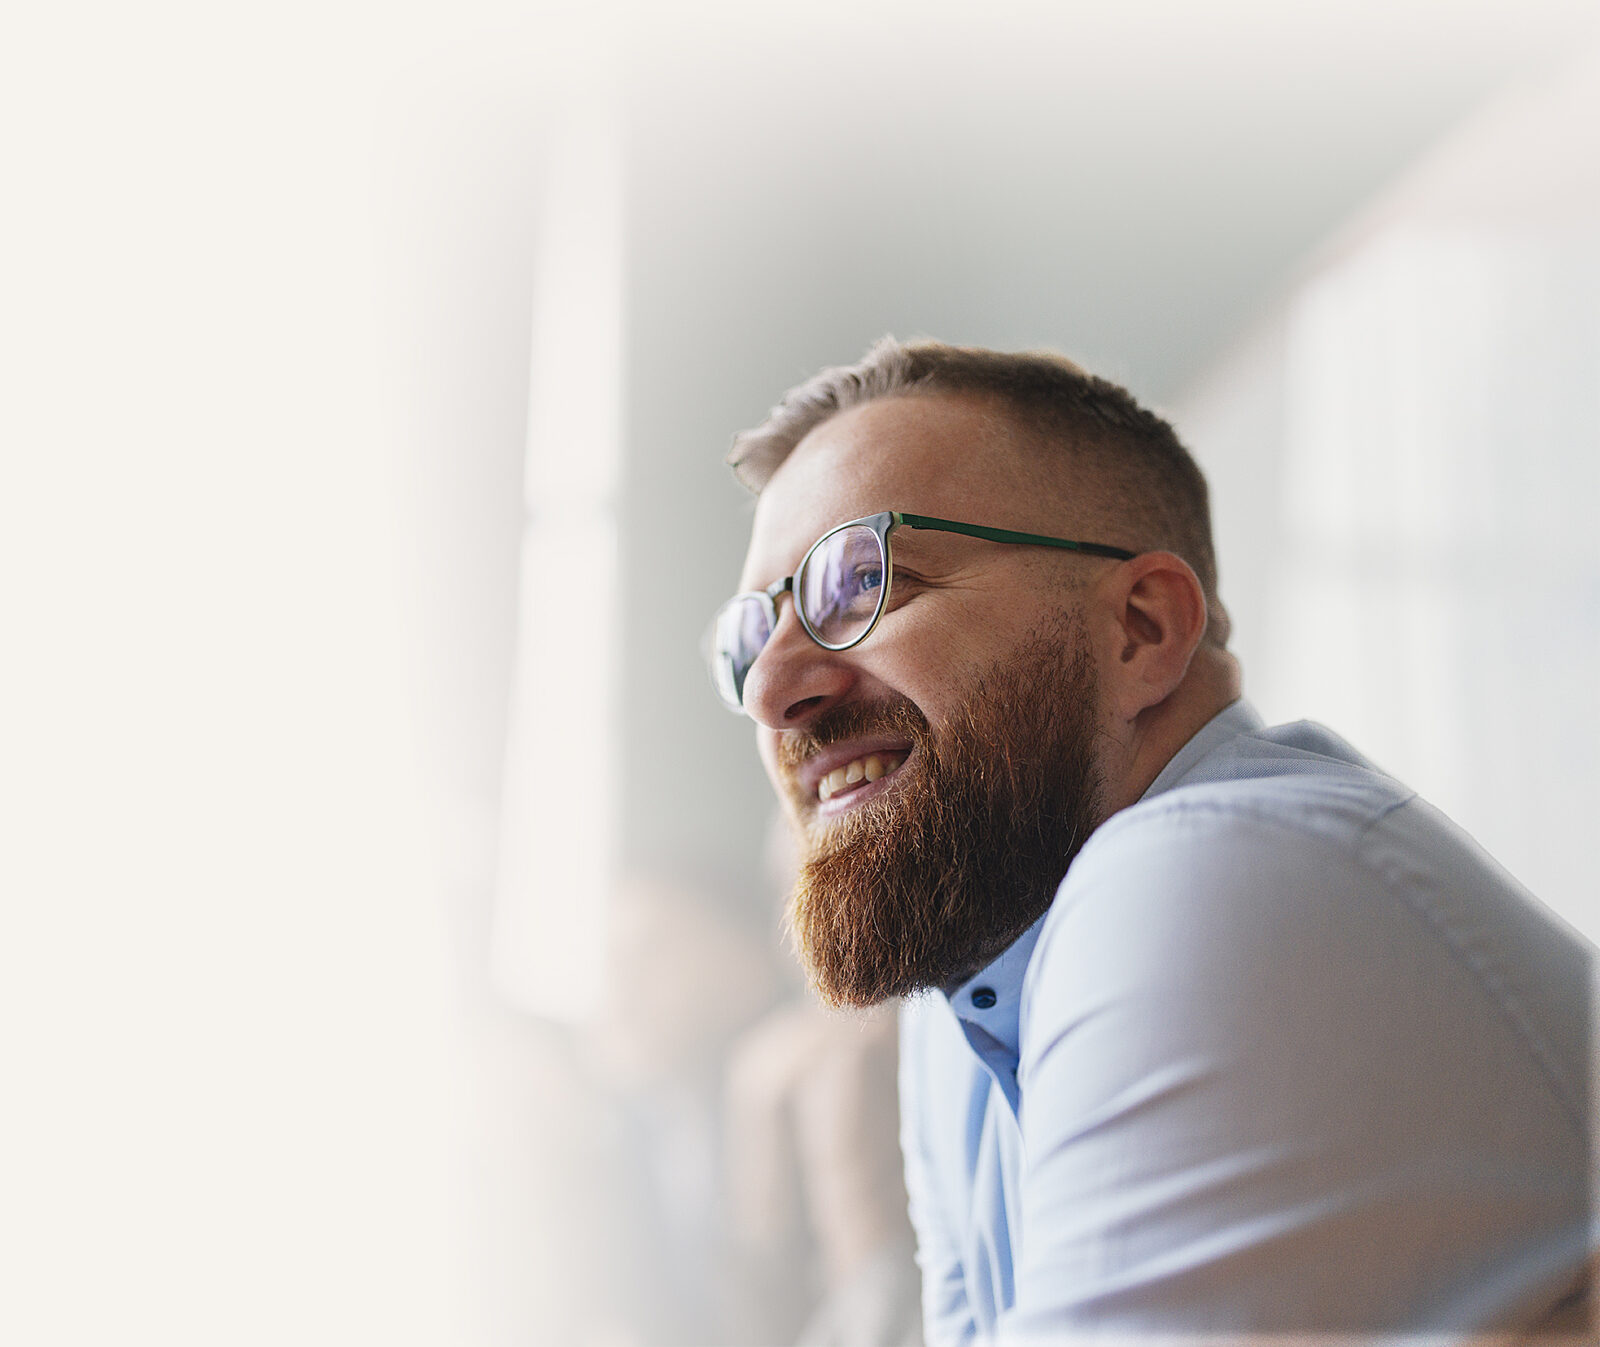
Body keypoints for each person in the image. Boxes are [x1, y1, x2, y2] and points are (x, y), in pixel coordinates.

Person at [705, 338, 1594, 1342]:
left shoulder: (1213, 873)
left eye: (861, 583)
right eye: (750, 638)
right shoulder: (971, 1003)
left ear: (1141, 629)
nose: (770, 692)